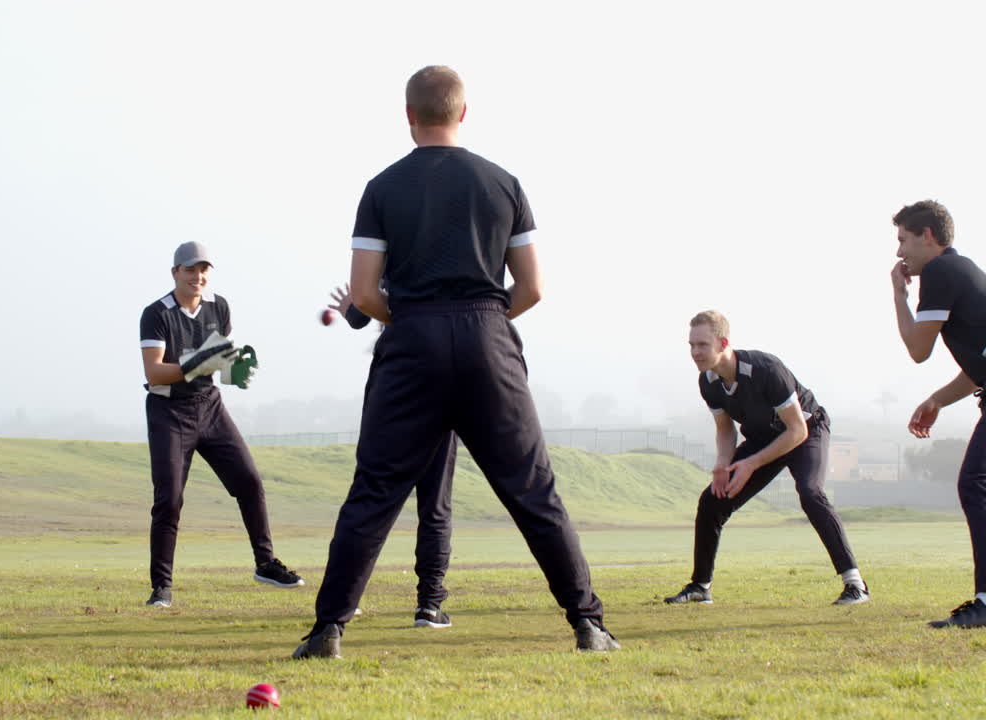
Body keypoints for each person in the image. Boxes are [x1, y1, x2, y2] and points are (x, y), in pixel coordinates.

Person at [293, 65, 617, 659]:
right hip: (488, 336)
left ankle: (326, 633)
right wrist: (485, 324)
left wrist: (416, 323)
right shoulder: (503, 183)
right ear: (463, 114)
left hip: (411, 340)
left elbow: (363, 294)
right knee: (532, 489)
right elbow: (533, 288)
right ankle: (588, 625)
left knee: (374, 490)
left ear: (409, 116)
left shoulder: (381, 187)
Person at [139, 241, 304, 609]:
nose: (198, 276)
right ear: (175, 273)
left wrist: (236, 372)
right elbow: (154, 372)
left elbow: (221, 366)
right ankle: (161, 588)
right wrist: (198, 363)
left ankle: (265, 563)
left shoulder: (219, 306)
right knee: (169, 500)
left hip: (209, 407)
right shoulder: (156, 314)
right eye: (190, 270)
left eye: (203, 270)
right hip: (170, 412)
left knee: (249, 481)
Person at [665, 311, 867, 606]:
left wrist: (750, 463)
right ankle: (700, 586)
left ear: (723, 343)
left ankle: (856, 585)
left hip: (806, 430)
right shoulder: (708, 382)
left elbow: (796, 431)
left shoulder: (766, 369)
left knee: (810, 493)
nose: (695, 352)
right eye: (691, 345)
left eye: (702, 345)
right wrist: (723, 463)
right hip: (764, 437)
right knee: (712, 500)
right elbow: (725, 430)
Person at [329, 284, 454, 628]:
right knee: (435, 504)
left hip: (394, 382)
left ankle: (344, 599)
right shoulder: (452, 255)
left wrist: (348, 308)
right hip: (442, 376)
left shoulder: (390, 245)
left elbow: (359, 313)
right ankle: (429, 604)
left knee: (371, 498)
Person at [889, 200, 986, 628]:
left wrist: (898, 296)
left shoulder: (941, 272)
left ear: (927, 235)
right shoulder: (960, 270)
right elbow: (978, 367)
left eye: (903, 240)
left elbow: (918, 349)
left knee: (974, 484)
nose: (899, 253)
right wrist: (938, 400)